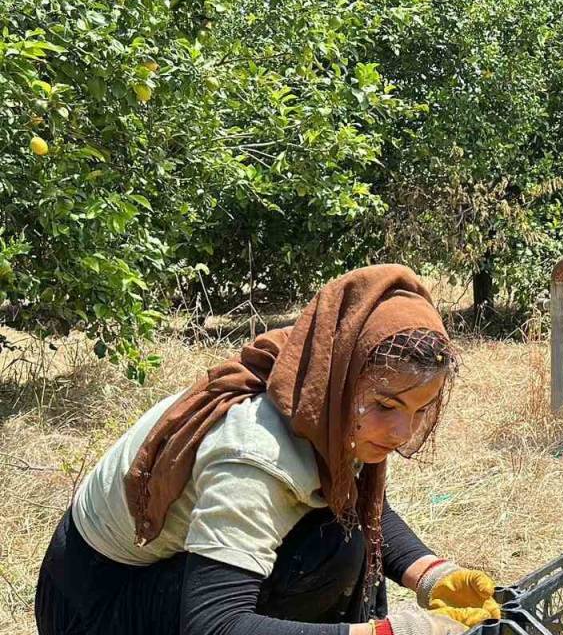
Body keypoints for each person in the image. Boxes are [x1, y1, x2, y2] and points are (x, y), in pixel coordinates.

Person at [35, 265, 498, 635]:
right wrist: (383, 634)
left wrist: (432, 574)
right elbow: (214, 622)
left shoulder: (318, 393)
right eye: (385, 404)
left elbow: (350, 500)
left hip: (140, 581)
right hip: (92, 608)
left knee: (338, 532)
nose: (401, 430)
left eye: (419, 410)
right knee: (324, 553)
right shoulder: (255, 453)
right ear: (344, 375)